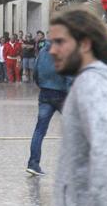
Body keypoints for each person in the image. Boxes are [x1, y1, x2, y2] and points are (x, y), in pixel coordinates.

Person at [49, 9, 107, 205]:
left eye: (60, 42)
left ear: (85, 44)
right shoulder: (100, 79)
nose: (52, 50)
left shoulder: (91, 84)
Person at [26, 40, 70, 177]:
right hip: (62, 95)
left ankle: (33, 164)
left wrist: (43, 85)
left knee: (39, 130)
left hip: (45, 94)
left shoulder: (43, 51)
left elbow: (35, 73)